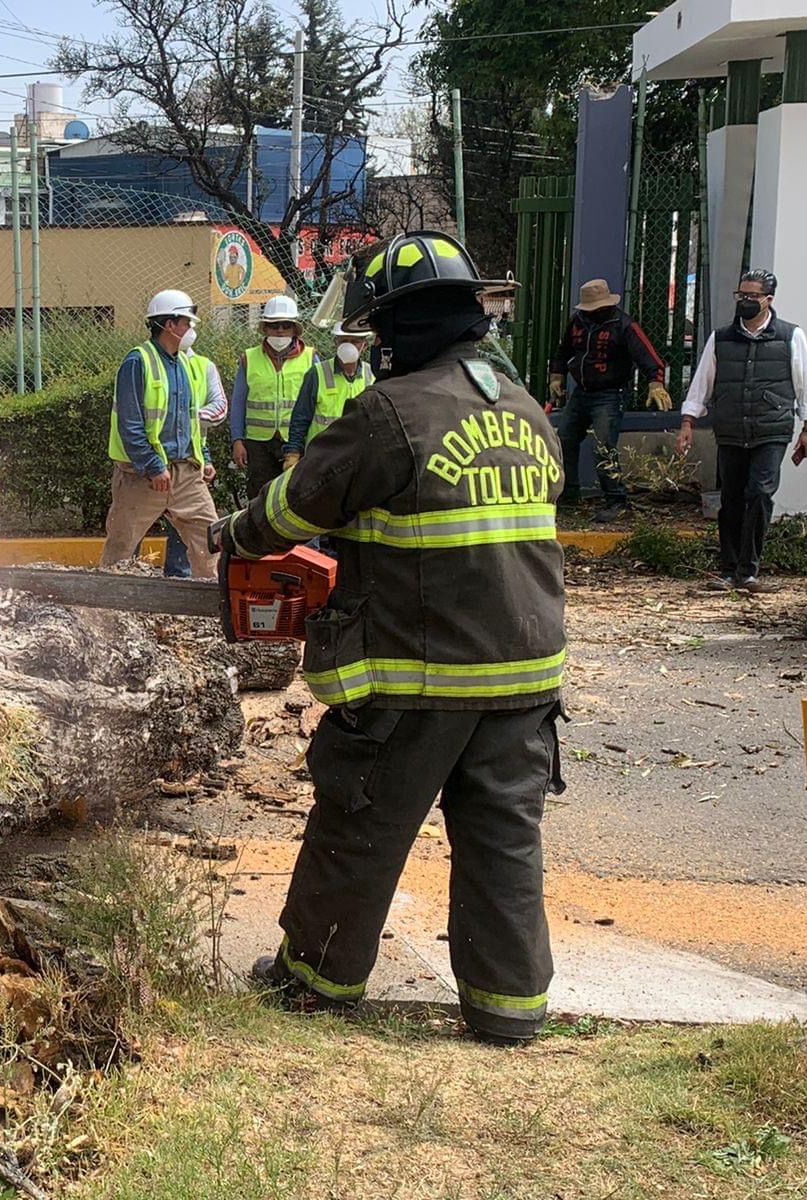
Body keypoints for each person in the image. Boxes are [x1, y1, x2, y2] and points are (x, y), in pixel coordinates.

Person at [218, 230, 567, 1045]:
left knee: (360, 823)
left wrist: (234, 535)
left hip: (423, 674)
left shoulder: (391, 413)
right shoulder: (523, 411)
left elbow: (295, 508)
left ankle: (315, 980)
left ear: (397, 329)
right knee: (503, 839)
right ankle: (508, 1009)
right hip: (526, 677)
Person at [676, 269, 807, 593]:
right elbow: (702, 385)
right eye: (741, 295)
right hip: (730, 429)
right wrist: (688, 422)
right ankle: (729, 570)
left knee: (759, 494)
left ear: (768, 300)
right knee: (731, 498)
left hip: (772, 429)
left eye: (753, 296)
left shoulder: (790, 336)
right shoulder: (721, 338)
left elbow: (805, 384)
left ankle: (748, 570)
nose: (745, 301)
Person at [101, 289, 220, 581]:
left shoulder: (186, 364)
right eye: (186, 323)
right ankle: (106, 607)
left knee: (211, 541)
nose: (190, 329)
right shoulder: (137, 362)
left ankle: (214, 606)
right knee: (121, 546)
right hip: (143, 476)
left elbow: (189, 421)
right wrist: (154, 466)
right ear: (169, 325)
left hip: (186, 473)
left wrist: (203, 457)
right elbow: (130, 423)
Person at [547, 278, 672, 522]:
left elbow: (649, 356)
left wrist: (655, 383)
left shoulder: (623, 325)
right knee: (564, 440)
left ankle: (617, 501)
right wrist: (556, 377)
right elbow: (563, 352)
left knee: (603, 446)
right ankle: (569, 495)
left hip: (610, 393)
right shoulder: (578, 323)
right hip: (581, 391)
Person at [230, 294, 318, 499]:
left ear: (295, 329)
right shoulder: (249, 358)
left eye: (286, 325)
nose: (279, 331)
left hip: (297, 442)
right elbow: (238, 403)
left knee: (297, 499)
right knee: (260, 499)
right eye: (274, 325)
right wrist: (237, 440)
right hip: (258, 444)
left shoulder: (310, 357)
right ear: (265, 328)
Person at [163, 349, 230, 577]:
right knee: (126, 537)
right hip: (148, 467)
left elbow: (215, 411)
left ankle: (203, 590)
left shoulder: (202, 366)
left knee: (205, 531)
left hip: (189, 463)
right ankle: (113, 595)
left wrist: (205, 457)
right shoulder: (145, 362)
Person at [284, 330, 374, 467]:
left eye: (355, 341)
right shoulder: (317, 373)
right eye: (344, 341)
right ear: (336, 342)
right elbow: (301, 417)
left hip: (357, 457)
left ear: (364, 345)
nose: (348, 346)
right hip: (321, 457)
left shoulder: (372, 375)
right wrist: (293, 452)